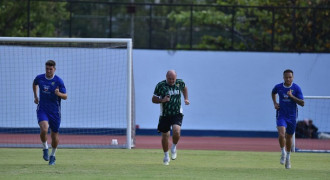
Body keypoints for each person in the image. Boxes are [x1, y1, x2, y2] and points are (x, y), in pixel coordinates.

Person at [33, 60, 67, 165]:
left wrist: (58, 93)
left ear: (54, 69)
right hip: (42, 109)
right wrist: (35, 96)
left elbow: (65, 96)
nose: (48, 71)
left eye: (50, 69)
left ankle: (53, 155)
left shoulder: (58, 81)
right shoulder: (40, 78)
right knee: (44, 128)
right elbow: (34, 83)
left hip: (55, 112)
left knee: (54, 135)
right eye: (47, 69)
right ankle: (45, 148)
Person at [152, 70, 190, 165]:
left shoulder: (179, 83)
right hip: (165, 114)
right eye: (169, 79)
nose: (171, 81)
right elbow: (153, 99)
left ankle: (173, 146)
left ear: (176, 77)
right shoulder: (160, 86)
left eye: (173, 79)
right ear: (166, 77)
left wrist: (186, 98)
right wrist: (162, 100)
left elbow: (185, 88)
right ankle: (166, 155)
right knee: (165, 136)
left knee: (176, 131)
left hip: (176, 112)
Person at [271, 69, 304, 169]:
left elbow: (302, 103)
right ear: (283, 77)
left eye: (290, 77)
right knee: (281, 134)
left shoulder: (296, 88)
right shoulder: (279, 87)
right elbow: (273, 92)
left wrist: (291, 96)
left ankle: (288, 158)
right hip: (281, 115)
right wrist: (275, 103)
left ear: (293, 77)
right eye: (286, 77)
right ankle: (283, 152)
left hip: (292, 117)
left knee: (289, 137)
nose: (288, 79)